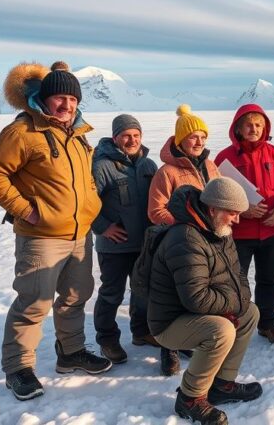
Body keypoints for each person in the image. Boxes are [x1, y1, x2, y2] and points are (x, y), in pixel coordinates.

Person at [0, 61, 110, 402]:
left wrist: (92, 201)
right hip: (41, 238)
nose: (67, 106)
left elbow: (85, 180)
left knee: (74, 297)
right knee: (33, 302)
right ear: (45, 99)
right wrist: (25, 209)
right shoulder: (23, 132)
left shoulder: (78, 134)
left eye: (72, 99)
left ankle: (71, 353)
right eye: (60, 98)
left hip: (81, 235)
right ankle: (18, 369)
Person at [147, 179, 263, 424]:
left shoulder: (218, 230)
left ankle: (222, 384)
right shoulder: (185, 238)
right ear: (213, 209)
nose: (237, 220)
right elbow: (197, 298)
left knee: (250, 312)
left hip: (198, 312)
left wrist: (239, 304)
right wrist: (231, 307)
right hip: (170, 323)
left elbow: (237, 274)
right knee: (221, 330)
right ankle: (190, 398)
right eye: (233, 213)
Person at [214, 104, 274, 345]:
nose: (254, 129)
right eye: (248, 124)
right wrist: (242, 211)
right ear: (238, 128)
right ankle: (233, 324)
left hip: (271, 230)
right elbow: (215, 195)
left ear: (265, 127)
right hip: (239, 233)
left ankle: (267, 324)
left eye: (258, 125)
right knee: (234, 281)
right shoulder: (225, 158)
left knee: (270, 279)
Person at [90, 114, 159, 366]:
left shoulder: (148, 166)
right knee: (112, 293)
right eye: (126, 136)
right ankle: (107, 338)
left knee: (143, 292)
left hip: (143, 244)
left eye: (136, 135)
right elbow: (87, 203)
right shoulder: (102, 166)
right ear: (115, 137)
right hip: (115, 246)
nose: (132, 140)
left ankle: (141, 332)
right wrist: (103, 227)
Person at [148, 105, 221, 225]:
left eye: (203, 137)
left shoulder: (210, 165)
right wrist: (184, 226)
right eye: (193, 137)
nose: (200, 143)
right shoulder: (166, 172)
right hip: (186, 238)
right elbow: (156, 211)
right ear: (181, 140)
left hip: (214, 233)